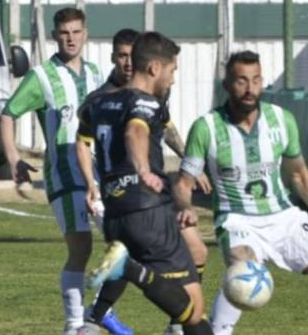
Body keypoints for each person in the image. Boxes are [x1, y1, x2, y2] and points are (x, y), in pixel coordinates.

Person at [175, 51, 308, 335]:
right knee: (244, 270)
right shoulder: (207, 127)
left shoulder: (281, 120)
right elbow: (183, 183)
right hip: (237, 220)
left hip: (285, 217)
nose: (250, 88)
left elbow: (298, 173)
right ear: (226, 85)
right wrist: (184, 206)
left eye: (256, 80)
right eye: (241, 81)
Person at [78, 32, 214, 334]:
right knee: (194, 312)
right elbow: (135, 132)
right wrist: (143, 169)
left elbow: (85, 133)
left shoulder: (97, 103)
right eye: (172, 70)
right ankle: (129, 271)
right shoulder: (147, 102)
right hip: (148, 209)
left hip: (115, 213)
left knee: (191, 308)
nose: (173, 79)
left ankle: (96, 314)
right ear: (154, 67)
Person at [0, 7, 117, 335]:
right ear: (55, 35)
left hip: (99, 177)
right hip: (64, 176)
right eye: (65, 32)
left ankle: (98, 311)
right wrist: (13, 158)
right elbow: (8, 114)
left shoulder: (97, 75)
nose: (71, 38)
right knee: (81, 247)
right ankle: (75, 324)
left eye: (76, 32)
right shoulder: (41, 77)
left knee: (120, 242)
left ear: (85, 34)